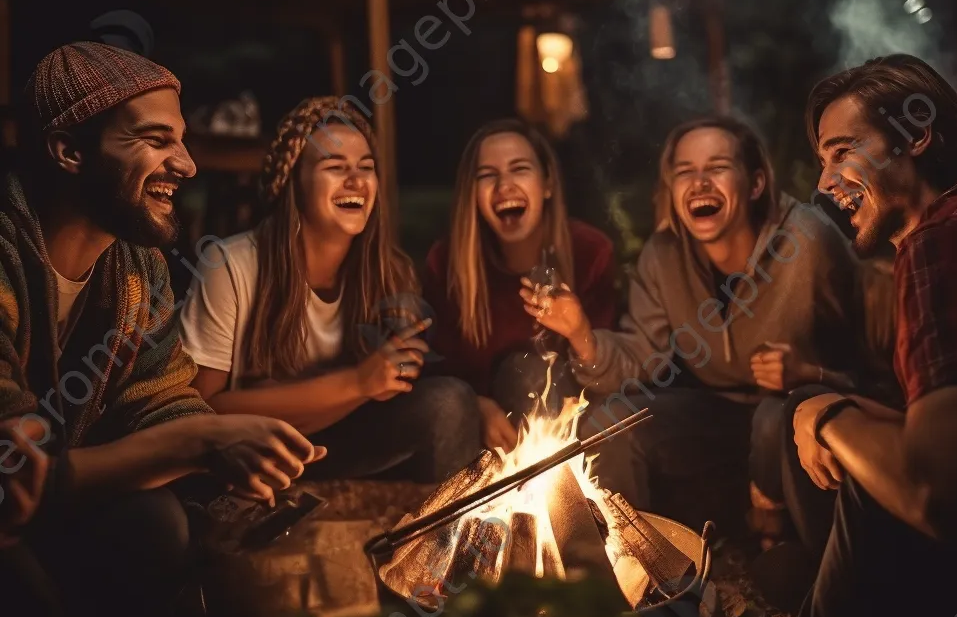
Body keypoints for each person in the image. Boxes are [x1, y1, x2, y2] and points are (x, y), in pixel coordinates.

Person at [700, 54, 957, 617]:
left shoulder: (948, 240)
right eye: (820, 161)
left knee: (868, 471)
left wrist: (824, 414)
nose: (823, 184)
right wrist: (824, 410)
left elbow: (935, 492)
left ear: (916, 136)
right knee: (820, 437)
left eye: (842, 152)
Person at [0, 41, 321, 617]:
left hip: (53, 514)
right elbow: (12, 477)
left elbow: (158, 398)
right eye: (155, 140)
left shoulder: (135, 265)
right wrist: (196, 444)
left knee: (163, 520)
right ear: (67, 150)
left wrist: (235, 447)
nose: (188, 163)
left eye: (181, 140)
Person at [526, 116, 868, 534]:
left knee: (771, 418)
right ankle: (634, 559)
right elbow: (642, 358)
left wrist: (808, 374)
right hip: (717, 418)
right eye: (685, 171)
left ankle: (779, 533)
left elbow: (871, 369)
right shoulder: (662, 255)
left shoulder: (810, 242)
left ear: (756, 183)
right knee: (613, 420)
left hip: (802, 422)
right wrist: (580, 333)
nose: (700, 182)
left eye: (718, 167)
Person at [180, 97, 481, 483]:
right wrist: (358, 382)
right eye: (334, 167)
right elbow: (200, 411)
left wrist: (386, 377)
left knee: (449, 402)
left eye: (366, 168)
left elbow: (392, 394)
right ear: (293, 183)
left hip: (342, 443)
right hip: (257, 454)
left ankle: (445, 539)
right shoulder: (230, 265)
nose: (355, 180)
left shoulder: (391, 272)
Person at [422, 119, 617, 451]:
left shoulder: (589, 251)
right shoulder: (447, 264)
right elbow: (435, 374)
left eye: (520, 169)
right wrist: (478, 406)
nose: (504, 186)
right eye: (487, 175)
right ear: (472, 194)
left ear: (547, 184)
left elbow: (609, 377)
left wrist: (577, 329)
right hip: (477, 443)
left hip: (569, 436)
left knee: (529, 371)